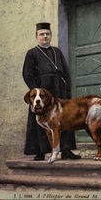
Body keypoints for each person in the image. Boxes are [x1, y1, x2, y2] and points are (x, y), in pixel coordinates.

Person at [23, 22, 81, 161]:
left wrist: (67, 91)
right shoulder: (32, 53)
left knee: (65, 118)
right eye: (42, 34)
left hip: (59, 90)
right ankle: (41, 151)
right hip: (42, 93)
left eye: (47, 34)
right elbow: (27, 75)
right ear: (37, 36)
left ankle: (66, 150)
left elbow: (66, 73)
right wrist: (37, 92)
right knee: (41, 120)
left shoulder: (57, 51)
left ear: (51, 35)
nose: (45, 36)